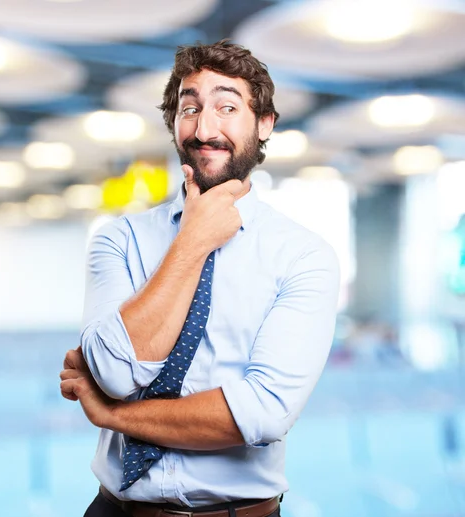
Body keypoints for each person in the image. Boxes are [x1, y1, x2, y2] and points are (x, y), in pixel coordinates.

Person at [60, 39, 340, 517]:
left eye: (227, 107)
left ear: (265, 124)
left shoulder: (304, 256)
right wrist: (192, 241)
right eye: (190, 108)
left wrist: (111, 415)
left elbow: (262, 412)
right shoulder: (119, 240)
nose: (204, 128)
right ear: (174, 124)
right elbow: (115, 373)